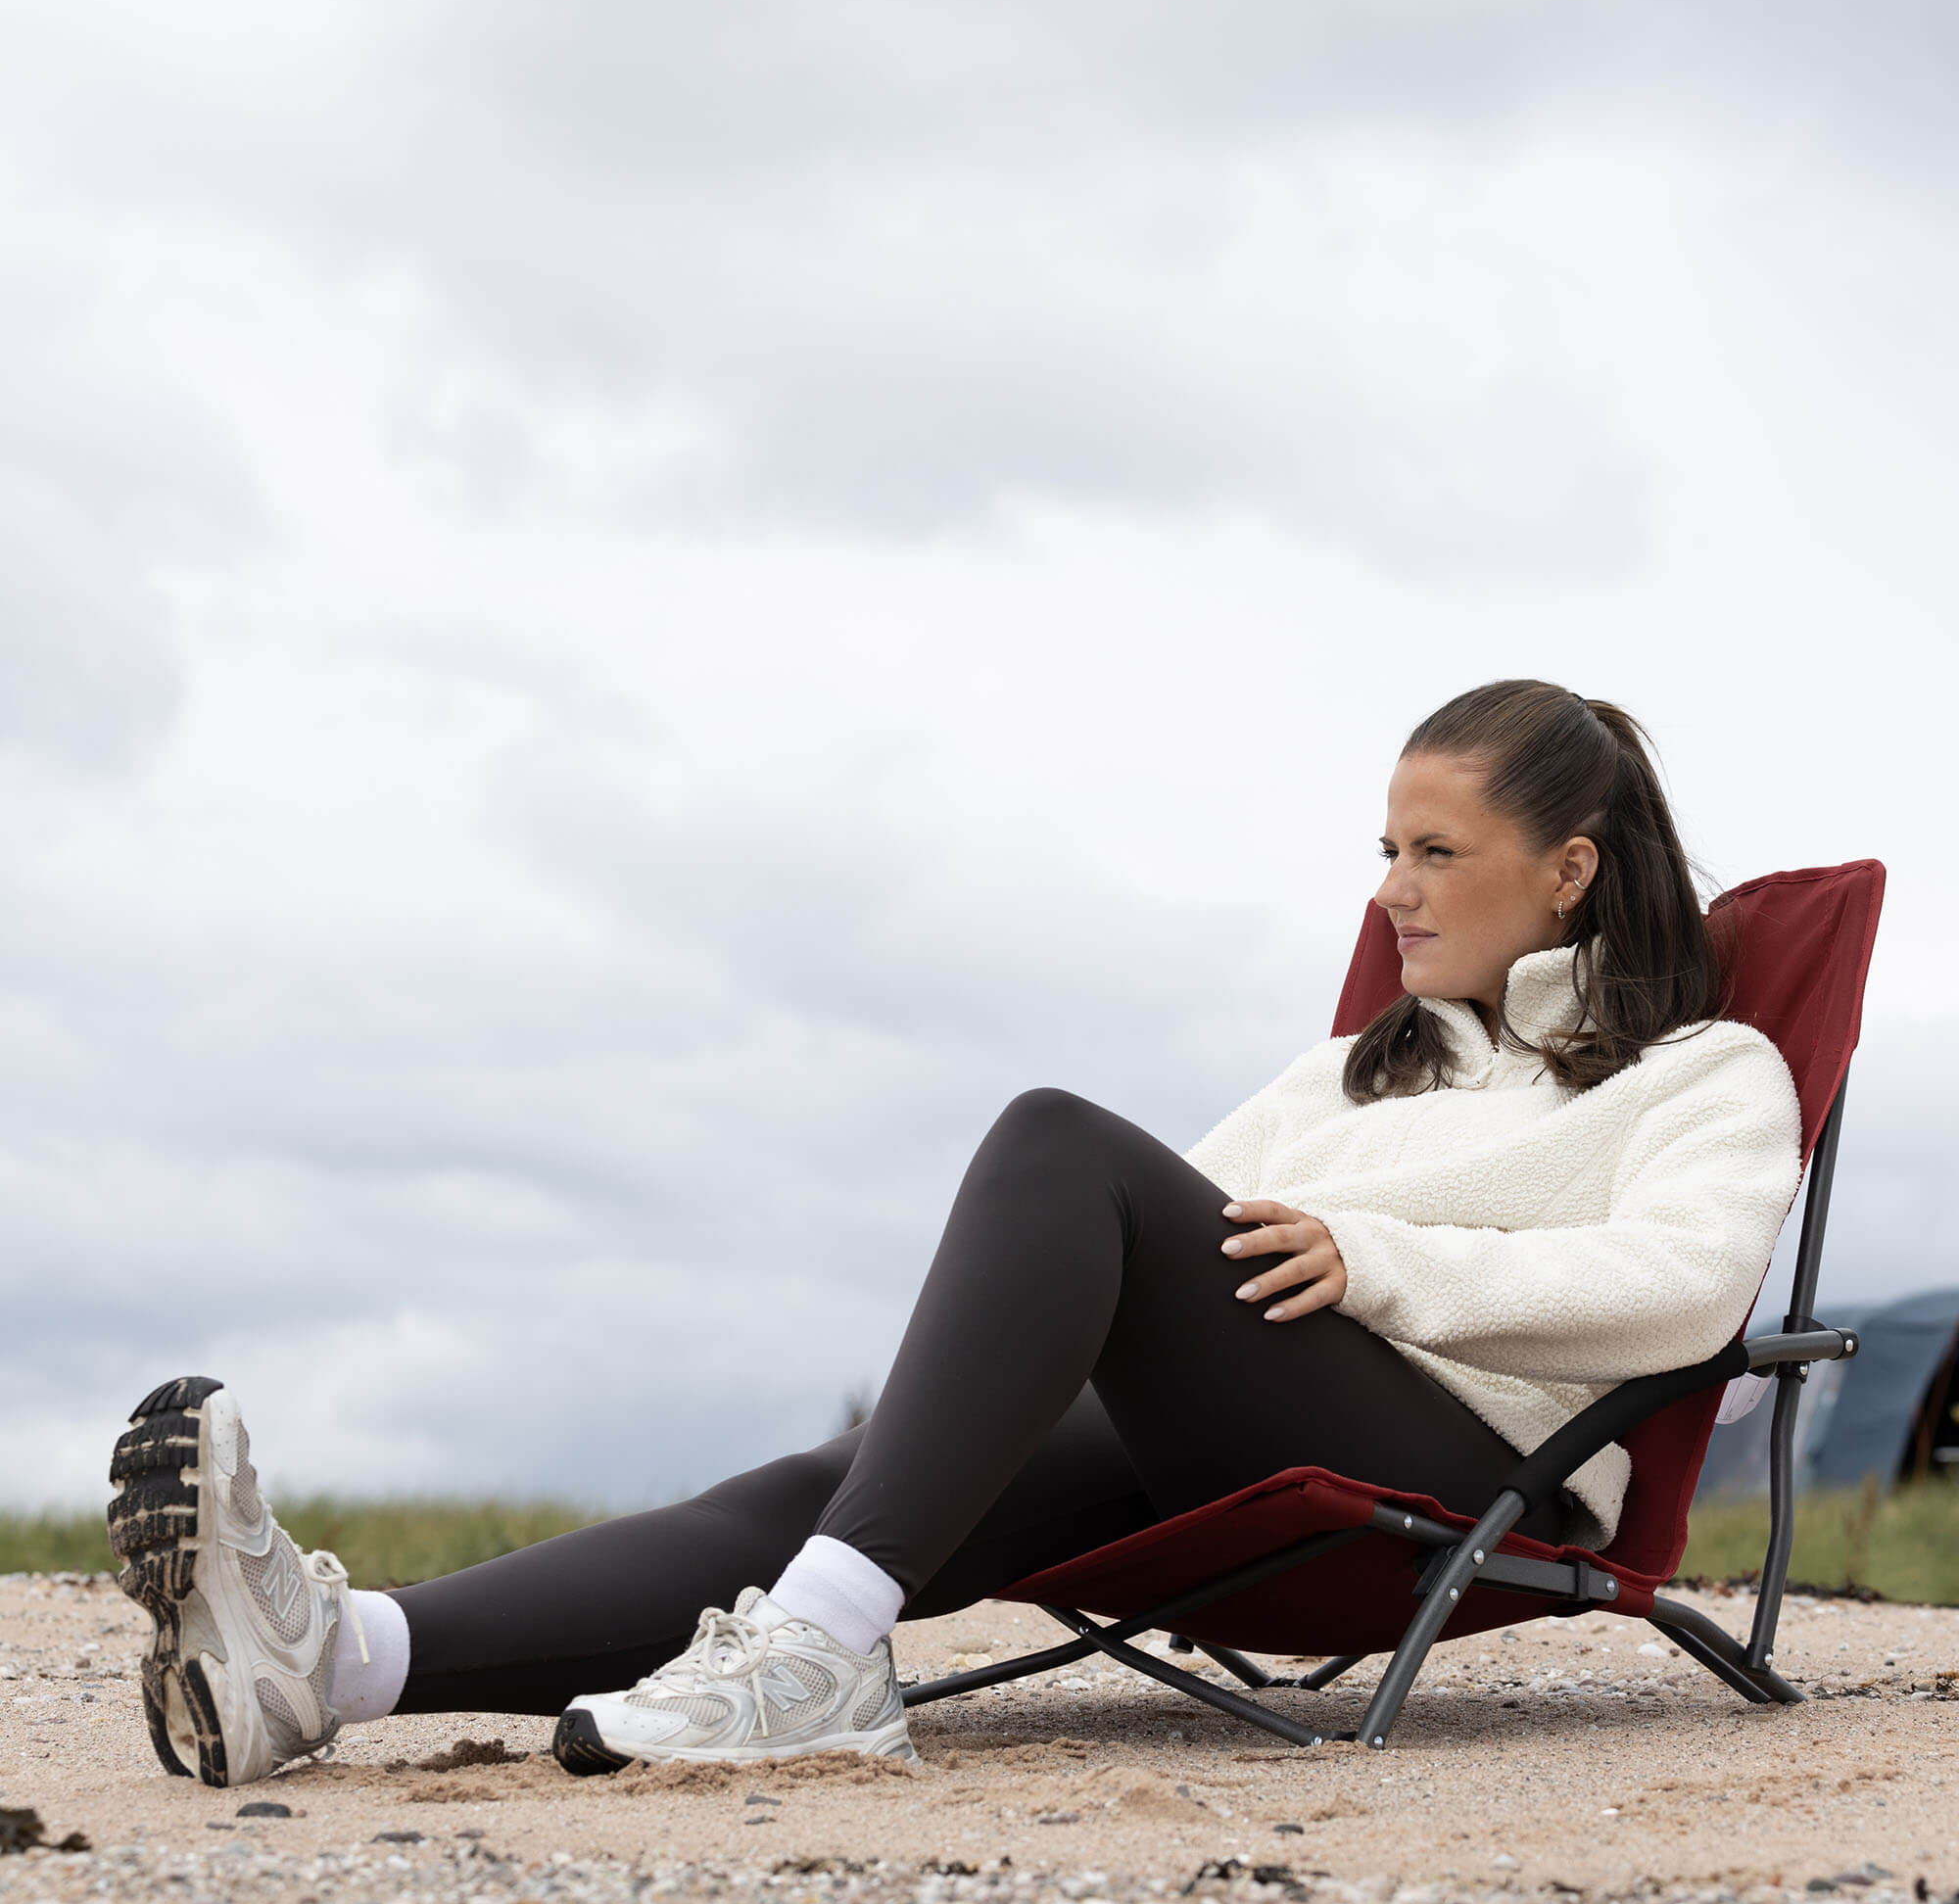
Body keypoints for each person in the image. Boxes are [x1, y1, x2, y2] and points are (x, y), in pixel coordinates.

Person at [105, 679, 1804, 1788]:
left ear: (1570, 870)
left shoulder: (1703, 1071)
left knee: (1061, 1142)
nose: (1389, 889)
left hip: (1462, 1471)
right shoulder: (1357, 1071)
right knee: (839, 1490)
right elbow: (1150, 1261)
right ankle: (335, 1662)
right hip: (1260, 1429)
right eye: (1384, 849)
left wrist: (1386, 1267)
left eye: (1436, 851)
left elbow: (1686, 1293)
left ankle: (816, 1660)